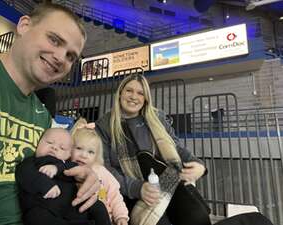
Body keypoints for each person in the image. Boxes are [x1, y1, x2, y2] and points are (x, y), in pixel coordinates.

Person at [0, 3, 99, 225]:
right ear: (24, 25)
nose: (60, 58)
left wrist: (84, 176)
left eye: (70, 56)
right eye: (54, 40)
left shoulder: (43, 117)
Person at [95, 74, 211, 225]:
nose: (133, 97)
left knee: (198, 218)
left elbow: (176, 147)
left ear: (145, 99)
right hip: (130, 192)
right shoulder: (104, 125)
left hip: (168, 181)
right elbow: (105, 169)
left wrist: (199, 165)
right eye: (129, 90)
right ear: (120, 93)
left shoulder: (158, 117)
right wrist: (137, 188)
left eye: (140, 93)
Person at [15, 128, 111, 225]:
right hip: (43, 206)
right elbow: (24, 173)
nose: (54, 147)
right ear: (38, 143)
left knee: (98, 206)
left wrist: (57, 168)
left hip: (71, 206)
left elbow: (75, 169)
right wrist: (45, 184)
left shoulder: (67, 164)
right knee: (35, 217)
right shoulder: (32, 162)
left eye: (62, 148)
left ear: (68, 155)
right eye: (49, 142)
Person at [71, 118, 129, 225]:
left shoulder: (101, 171)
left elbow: (115, 196)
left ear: (96, 156)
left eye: (90, 152)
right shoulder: (67, 169)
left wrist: (121, 217)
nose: (83, 155)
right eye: (79, 148)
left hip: (106, 219)